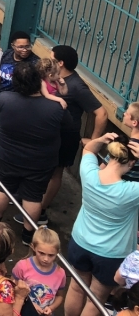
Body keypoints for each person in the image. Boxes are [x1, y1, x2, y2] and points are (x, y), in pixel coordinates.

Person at [0, 62, 74, 240]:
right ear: (40, 80)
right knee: (33, 197)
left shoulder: (4, 99)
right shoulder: (56, 108)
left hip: (7, 157)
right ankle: (28, 235)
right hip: (40, 163)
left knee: (2, 190)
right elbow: (69, 126)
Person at [65, 135, 139, 316]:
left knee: (76, 287)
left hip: (80, 241)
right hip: (110, 254)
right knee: (96, 298)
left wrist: (102, 139)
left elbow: (89, 149)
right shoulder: (131, 191)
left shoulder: (88, 173)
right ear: (130, 163)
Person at [39, 45, 107, 223]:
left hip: (66, 136)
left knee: (55, 172)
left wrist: (93, 141)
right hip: (51, 133)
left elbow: (101, 113)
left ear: (60, 63)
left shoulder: (76, 86)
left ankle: (40, 211)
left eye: (52, 58)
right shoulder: (54, 78)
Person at [13, 227, 67, 316]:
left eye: (51, 255)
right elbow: (12, 288)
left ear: (57, 252)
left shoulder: (60, 273)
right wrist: (30, 304)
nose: (46, 259)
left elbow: (59, 296)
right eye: (41, 253)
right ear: (33, 247)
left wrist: (51, 308)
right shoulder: (22, 266)